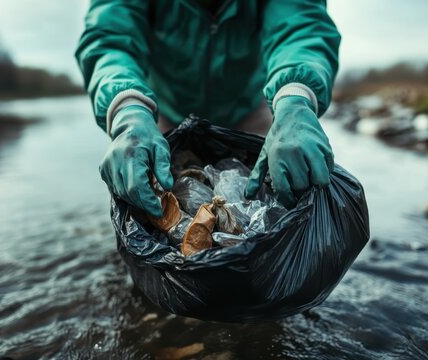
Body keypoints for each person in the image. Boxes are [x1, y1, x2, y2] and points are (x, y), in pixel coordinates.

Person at [76, 0, 341, 217]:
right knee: (154, 201)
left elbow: (301, 28)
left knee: (274, 200)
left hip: (251, 107)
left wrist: (295, 97)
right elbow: (110, 40)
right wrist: (127, 108)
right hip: (164, 114)